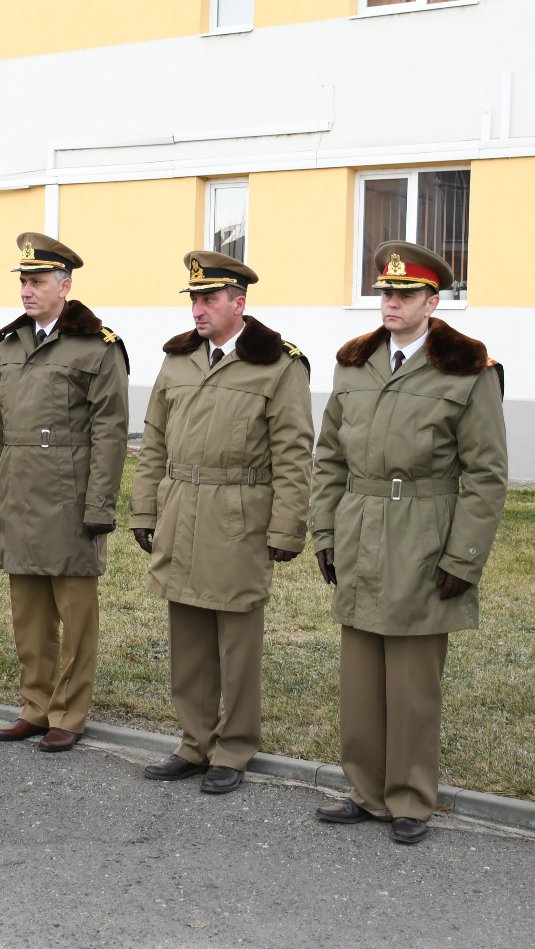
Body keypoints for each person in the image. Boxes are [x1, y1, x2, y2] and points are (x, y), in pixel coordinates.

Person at [308, 241, 507, 844]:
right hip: (360, 527)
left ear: (432, 302)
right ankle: (365, 791)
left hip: (424, 532)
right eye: (385, 292)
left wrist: (464, 557)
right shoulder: (354, 364)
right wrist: (324, 531)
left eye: (405, 293)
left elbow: (486, 475)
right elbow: (329, 456)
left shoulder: (468, 370)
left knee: (413, 685)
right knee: (360, 679)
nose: (391, 302)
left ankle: (411, 799)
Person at [129, 251, 313, 794]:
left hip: (238, 515)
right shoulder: (178, 360)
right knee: (187, 639)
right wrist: (144, 509)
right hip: (181, 509)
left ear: (239, 302)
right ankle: (194, 743)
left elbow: (294, 453)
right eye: (194, 299)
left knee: (236, 644)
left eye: (209, 299)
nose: (198, 310)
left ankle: (233, 748)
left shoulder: (278, 365)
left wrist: (287, 528)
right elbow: (153, 441)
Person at [0, 233, 130, 752]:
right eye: (23, 281)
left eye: (37, 281)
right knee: (29, 614)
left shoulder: (97, 347)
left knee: (76, 615)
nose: (27, 290)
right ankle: (34, 706)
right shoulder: (8, 347)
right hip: (19, 494)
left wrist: (100, 504)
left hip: (68, 498)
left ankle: (69, 712)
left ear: (65, 286)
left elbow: (111, 432)